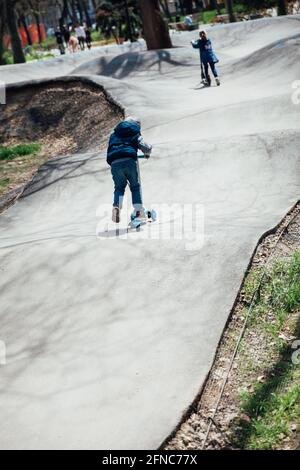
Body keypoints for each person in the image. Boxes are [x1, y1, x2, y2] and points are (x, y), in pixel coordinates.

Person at [106, 117, 152, 223]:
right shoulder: (134, 132)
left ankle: (116, 207)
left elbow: (111, 148)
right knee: (135, 187)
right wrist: (147, 153)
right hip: (129, 161)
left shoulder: (113, 135)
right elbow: (146, 147)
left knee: (119, 188)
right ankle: (138, 212)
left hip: (114, 163)